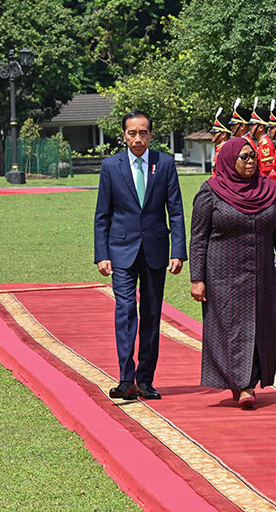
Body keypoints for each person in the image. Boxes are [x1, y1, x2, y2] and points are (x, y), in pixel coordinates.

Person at [189, 138, 276, 408]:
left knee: (261, 328)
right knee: (232, 330)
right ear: (229, 160)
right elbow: (198, 238)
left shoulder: (268, 189)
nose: (250, 162)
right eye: (243, 157)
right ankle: (242, 383)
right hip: (223, 275)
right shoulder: (211, 192)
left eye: (253, 156)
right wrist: (197, 279)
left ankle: (247, 380)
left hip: (262, 274)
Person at [94, 111, 187, 401]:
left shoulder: (165, 164)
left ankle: (145, 380)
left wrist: (178, 251)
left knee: (151, 314)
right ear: (124, 135)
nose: (138, 138)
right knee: (125, 312)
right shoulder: (111, 166)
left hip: (156, 251)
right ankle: (126, 379)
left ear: (151, 135)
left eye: (143, 132)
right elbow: (103, 214)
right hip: (121, 252)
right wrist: (102, 254)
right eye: (132, 133)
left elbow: (176, 211)